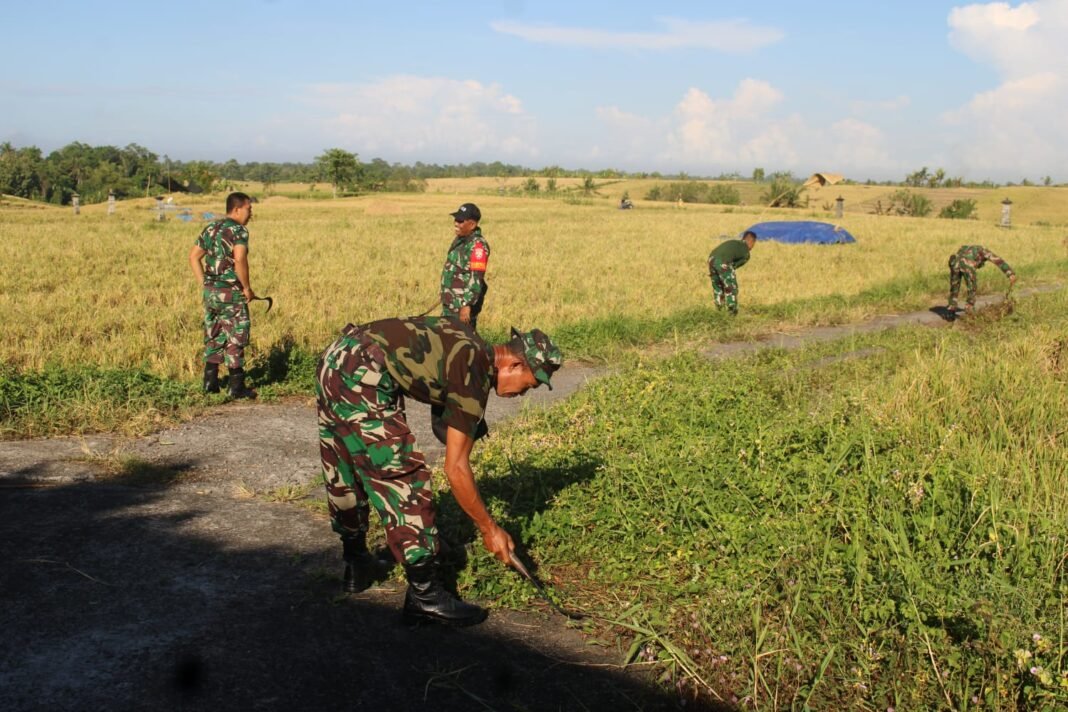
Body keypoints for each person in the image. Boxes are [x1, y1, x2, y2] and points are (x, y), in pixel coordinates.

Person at [316, 316, 562, 626]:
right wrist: (489, 529)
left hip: (337, 357)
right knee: (402, 476)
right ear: (514, 364)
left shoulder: (468, 342)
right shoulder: (474, 373)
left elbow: (437, 394)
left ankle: (357, 562)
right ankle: (425, 595)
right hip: (366, 374)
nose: (524, 393)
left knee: (344, 462)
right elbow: (455, 468)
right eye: (530, 384)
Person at [188, 192, 258, 399]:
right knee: (236, 335)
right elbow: (240, 259)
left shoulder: (212, 227)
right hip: (231, 293)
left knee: (214, 334)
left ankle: (210, 383)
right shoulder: (239, 231)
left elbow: (193, 257)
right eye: (248, 209)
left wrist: (205, 283)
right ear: (237, 209)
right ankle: (236, 387)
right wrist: (247, 287)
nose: (251, 213)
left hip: (211, 293)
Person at [440, 203, 489, 329]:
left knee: (463, 338)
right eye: (456, 219)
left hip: (462, 307)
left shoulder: (478, 246)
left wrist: (466, 305)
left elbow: (476, 278)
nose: (456, 223)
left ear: (472, 225)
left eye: (460, 221)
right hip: (451, 304)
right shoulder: (461, 240)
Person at [947, 244, 1017, 313]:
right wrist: (1010, 273)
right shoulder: (984, 251)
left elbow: (958, 257)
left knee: (954, 286)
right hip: (967, 265)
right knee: (972, 288)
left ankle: (951, 308)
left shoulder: (965, 248)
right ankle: (969, 308)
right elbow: (998, 261)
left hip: (954, 263)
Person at [707, 230, 757, 315]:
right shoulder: (746, 253)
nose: (753, 246)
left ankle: (719, 312)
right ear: (751, 241)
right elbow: (733, 267)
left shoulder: (734, 242)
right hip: (723, 262)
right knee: (731, 287)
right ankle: (732, 312)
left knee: (718, 287)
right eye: (754, 243)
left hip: (711, 260)